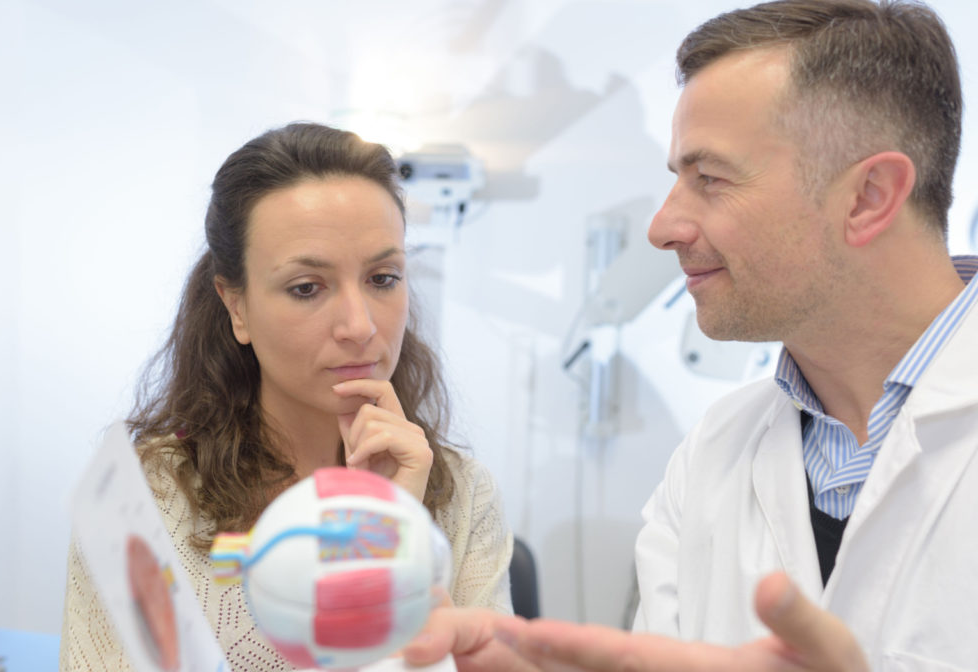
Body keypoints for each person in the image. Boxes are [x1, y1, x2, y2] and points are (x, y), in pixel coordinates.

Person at [404, 0, 978, 669]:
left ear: (869, 196)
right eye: (677, 178)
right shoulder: (712, 455)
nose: (663, 227)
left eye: (710, 179)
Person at [60, 122, 514, 671]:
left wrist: (392, 532)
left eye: (383, 278)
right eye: (307, 288)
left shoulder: (460, 497)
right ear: (237, 307)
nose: (359, 325)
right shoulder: (153, 498)